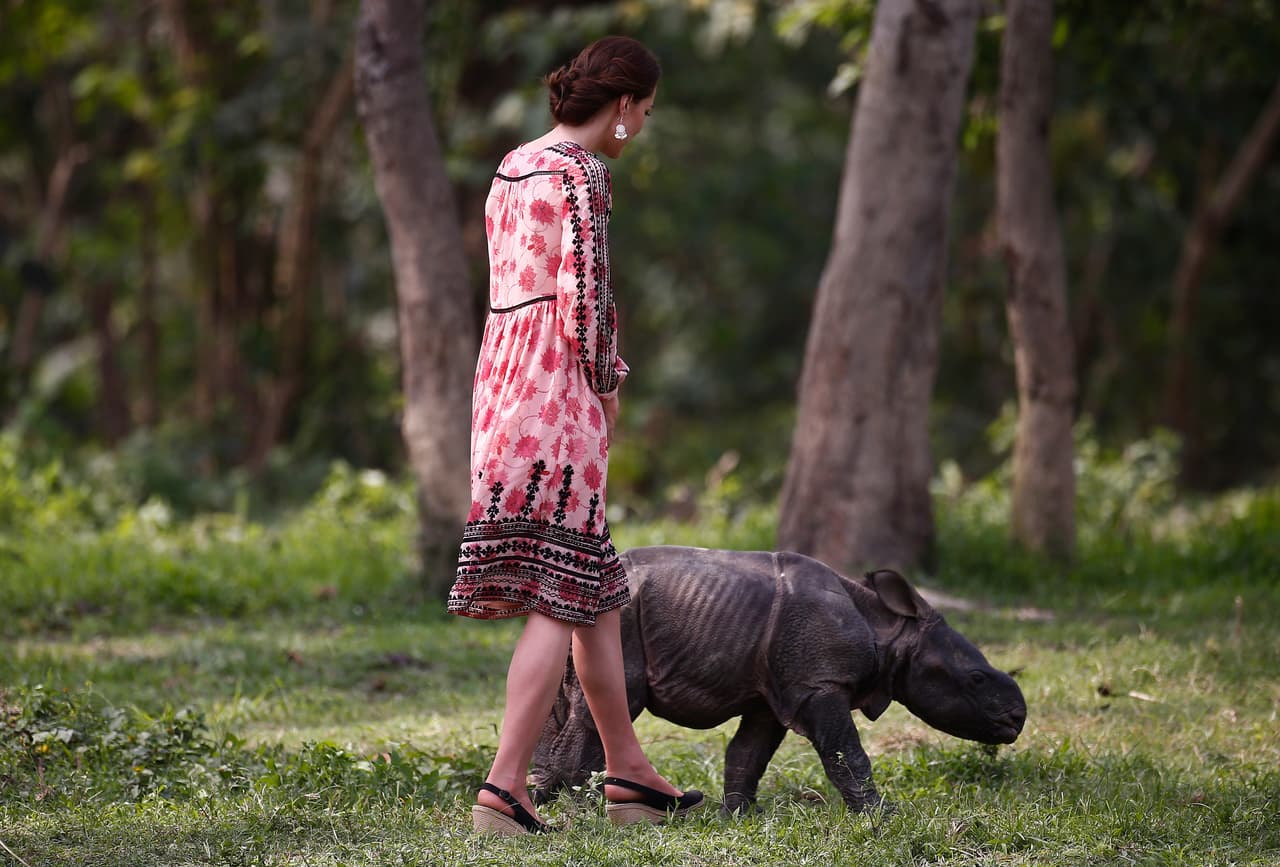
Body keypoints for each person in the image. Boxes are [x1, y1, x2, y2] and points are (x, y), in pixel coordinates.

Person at [447, 35, 704, 836]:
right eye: (648, 112)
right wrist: (608, 383)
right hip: (558, 391)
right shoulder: (584, 173)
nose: (645, 128)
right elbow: (585, 300)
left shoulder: (512, 166)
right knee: (557, 594)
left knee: (591, 583)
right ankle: (504, 785)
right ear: (623, 106)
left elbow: (509, 291)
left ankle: (628, 772)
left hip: (502, 386)